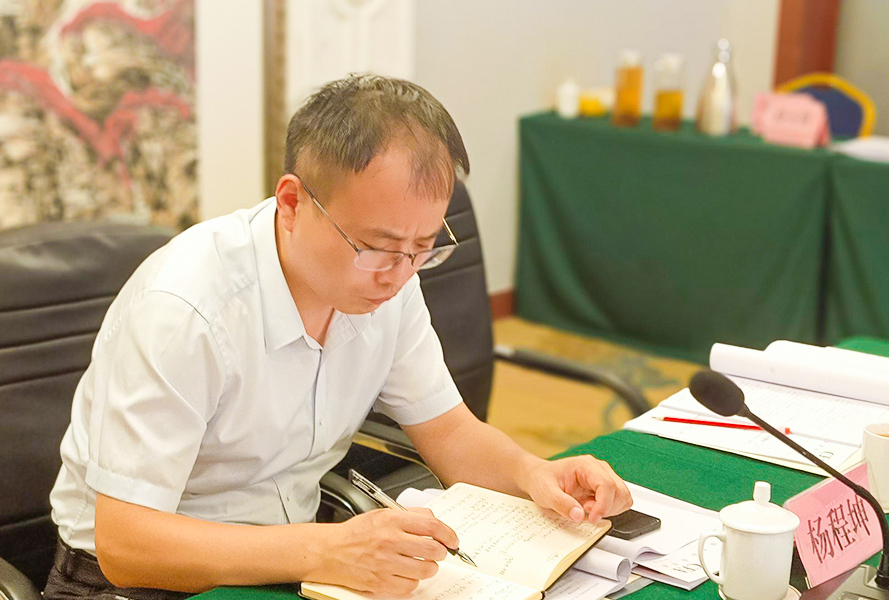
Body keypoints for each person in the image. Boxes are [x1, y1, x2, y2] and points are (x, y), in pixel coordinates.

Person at [44, 74, 633, 600]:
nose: (399, 274)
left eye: (424, 247)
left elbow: (450, 432)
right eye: (376, 247)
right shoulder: (187, 310)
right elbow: (128, 544)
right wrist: (326, 550)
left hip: (290, 558)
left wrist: (533, 474)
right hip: (134, 581)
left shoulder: (391, 279)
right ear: (292, 202)